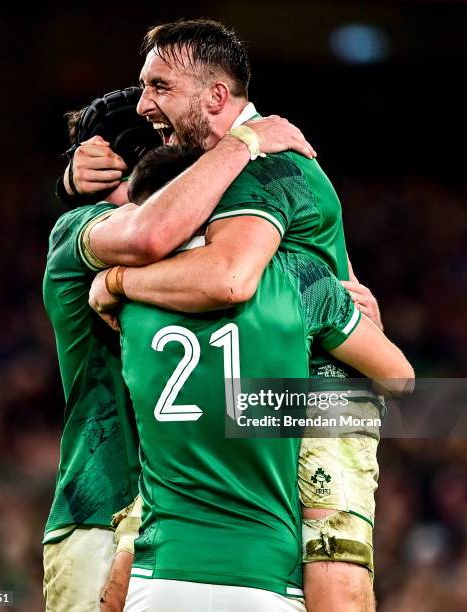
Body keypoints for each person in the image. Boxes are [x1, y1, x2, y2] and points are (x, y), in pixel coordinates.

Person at [84, 18, 385, 612]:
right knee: (137, 543)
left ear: (217, 96)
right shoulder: (223, 162)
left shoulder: (263, 166)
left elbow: (227, 278)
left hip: (318, 387)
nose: (144, 104)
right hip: (245, 375)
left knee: (334, 560)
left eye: (160, 87)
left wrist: (117, 280)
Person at [44, 88, 313, 612]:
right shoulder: (79, 231)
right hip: (105, 514)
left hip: (209, 542)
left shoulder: (250, 272)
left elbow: (390, 390)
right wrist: (244, 142)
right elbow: (150, 233)